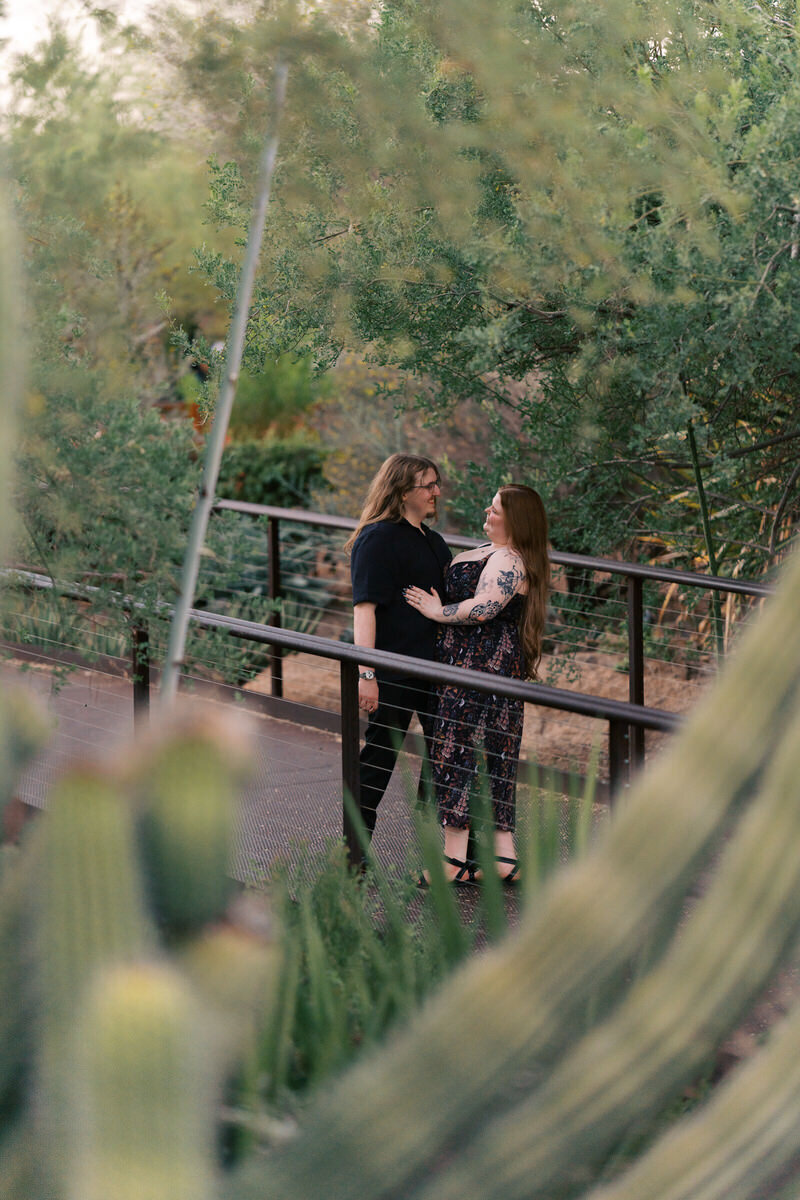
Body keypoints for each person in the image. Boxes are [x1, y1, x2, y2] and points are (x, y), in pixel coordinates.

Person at [404, 484, 550, 885]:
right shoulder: (491, 551)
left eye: (497, 508)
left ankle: (454, 861)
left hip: (481, 666)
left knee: (460, 752)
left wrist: (437, 611)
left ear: (516, 520)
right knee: (489, 754)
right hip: (475, 665)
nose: (488, 509)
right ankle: (504, 859)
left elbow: (485, 607)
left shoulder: (510, 559)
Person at [346, 454, 452, 855]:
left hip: (436, 672)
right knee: (377, 760)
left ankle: (440, 848)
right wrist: (367, 674)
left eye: (436, 484)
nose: (436, 492)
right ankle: (353, 852)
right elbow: (364, 609)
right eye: (429, 485)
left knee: (447, 753)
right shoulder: (376, 539)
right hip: (393, 673)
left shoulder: (433, 541)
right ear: (403, 490)